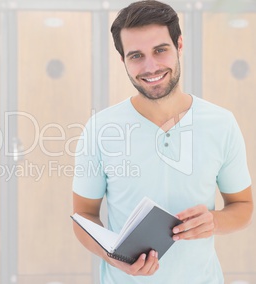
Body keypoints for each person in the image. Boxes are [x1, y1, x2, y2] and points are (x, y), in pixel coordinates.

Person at [72, 0, 253, 283]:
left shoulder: (222, 123)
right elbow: (83, 216)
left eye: (160, 50)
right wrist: (115, 259)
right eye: (136, 56)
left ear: (179, 45)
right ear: (123, 61)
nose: (151, 66)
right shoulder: (100, 129)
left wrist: (215, 221)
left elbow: (242, 206)